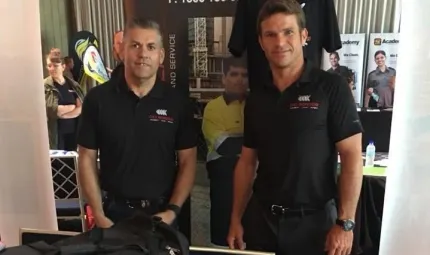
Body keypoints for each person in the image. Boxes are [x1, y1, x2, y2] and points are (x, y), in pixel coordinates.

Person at [226, 1, 363, 254]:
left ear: (304, 36)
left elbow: (353, 155)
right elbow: (247, 161)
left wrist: (345, 223)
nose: (280, 42)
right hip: (263, 222)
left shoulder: (332, 87)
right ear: (261, 42)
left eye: (288, 32)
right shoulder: (257, 97)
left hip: (315, 224)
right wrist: (236, 218)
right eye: (271, 34)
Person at [77, 18, 197, 228]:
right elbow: (86, 158)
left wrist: (173, 210)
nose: (143, 54)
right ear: (122, 51)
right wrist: (98, 213)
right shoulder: (98, 100)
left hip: (162, 216)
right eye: (135, 45)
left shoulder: (178, 103)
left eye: (151, 47)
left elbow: (188, 161)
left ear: (161, 56)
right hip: (113, 216)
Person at [202, 57, 248, 247]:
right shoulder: (213, 108)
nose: (239, 79)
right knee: (224, 244)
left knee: (251, 242)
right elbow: (225, 146)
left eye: (244, 75)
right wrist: (256, 143)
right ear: (224, 78)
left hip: (253, 187)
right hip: (224, 187)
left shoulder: (255, 106)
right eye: (234, 74)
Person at [45, 53, 85, 150]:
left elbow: (81, 108)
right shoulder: (46, 86)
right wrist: (71, 107)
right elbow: (53, 110)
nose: (52, 68)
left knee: (73, 161)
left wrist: (65, 115)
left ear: (63, 67)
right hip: (56, 133)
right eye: (49, 66)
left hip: (74, 132)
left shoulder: (73, 85)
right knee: (58, 162)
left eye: (55, 66)